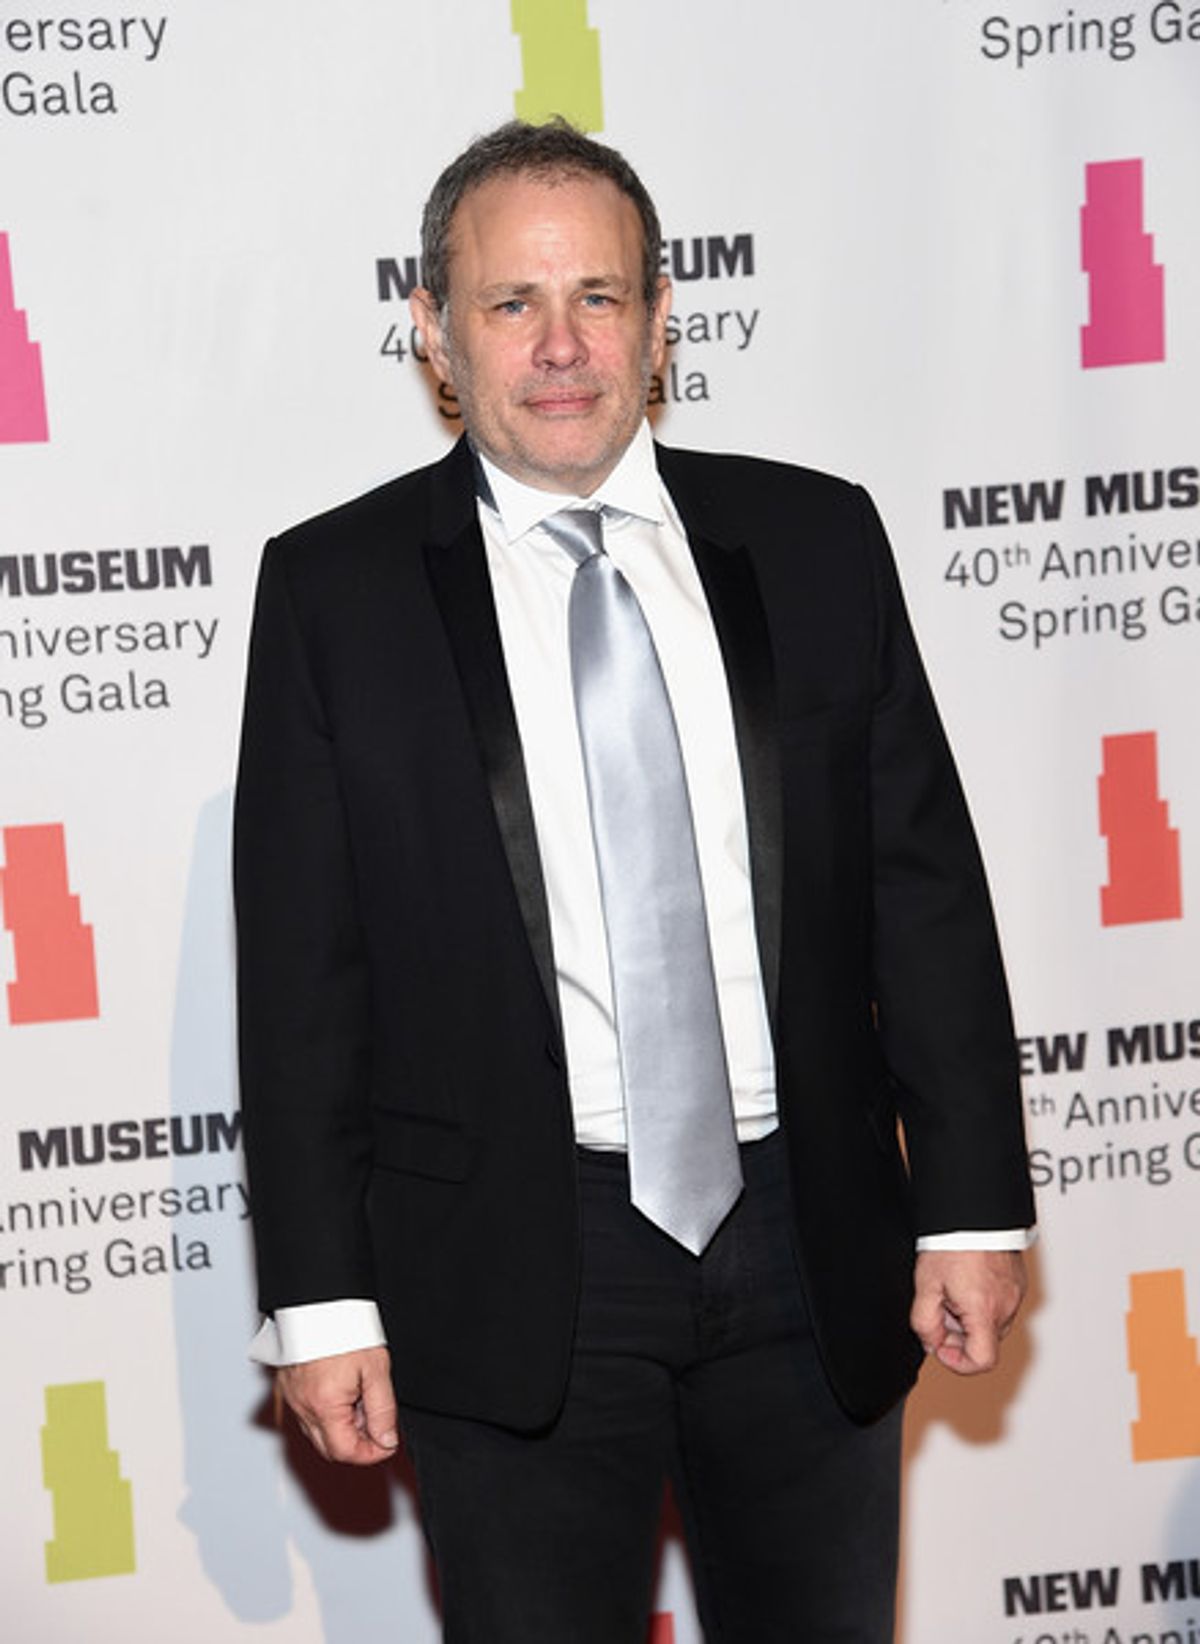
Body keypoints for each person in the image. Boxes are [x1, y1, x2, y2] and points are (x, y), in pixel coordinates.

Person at [234, 119, 1035, 1643]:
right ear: (434, 330)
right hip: (518, 1260)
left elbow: (924, 886)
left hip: (811, 1237)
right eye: (510, 303)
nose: (558, 347)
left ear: (663, 321)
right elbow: (299, 977)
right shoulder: (334, 593)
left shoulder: (816, 537)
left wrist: (974, 1202)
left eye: (598, 298)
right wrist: (325, 1301)